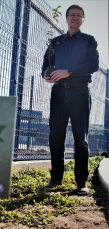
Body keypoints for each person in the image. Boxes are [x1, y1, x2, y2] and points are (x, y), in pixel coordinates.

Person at [41, 5, 99, 195]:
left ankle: (81, 183)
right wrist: (46, 75)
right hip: (58, 93)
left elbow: (93, 64)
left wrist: (69, 71)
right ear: (66, 19)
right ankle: (56, 178)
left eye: (78, 15)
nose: (75, 18)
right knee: (55, 137)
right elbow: (46, 64)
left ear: (83, 19)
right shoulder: (55, 42)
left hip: (80, 93)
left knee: (80, 139)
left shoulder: (89, 41)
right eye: (71, 15)